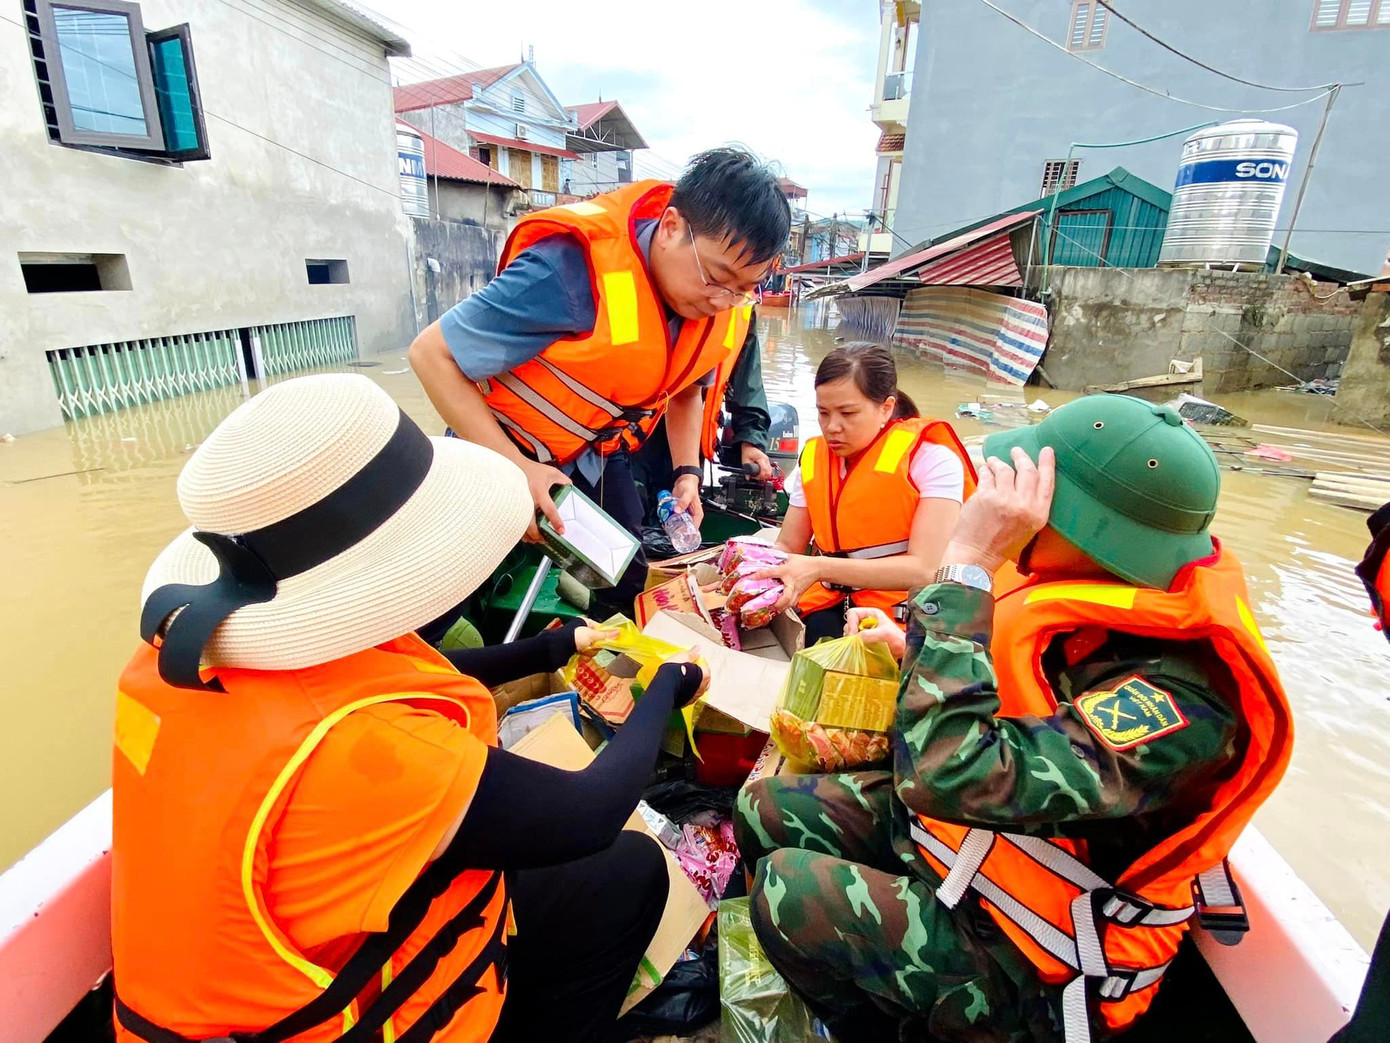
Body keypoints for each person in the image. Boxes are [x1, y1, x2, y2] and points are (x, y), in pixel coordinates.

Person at [111, 374, 709, 1043]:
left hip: (214, 1001)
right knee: (627, 869)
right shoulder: (373, 751)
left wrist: (551, 645)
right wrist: (664, 687)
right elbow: (590, 811)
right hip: (321, 1023)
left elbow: (382, 683)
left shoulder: (176, 664)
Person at [735, 394, 1294, 1043]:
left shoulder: (1182, 702)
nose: (1011, 508)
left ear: (1084, 529)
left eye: (1031, 497)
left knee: (785, 888)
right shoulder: (1096, 604)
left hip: (1039, 970)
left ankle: (877, 1026)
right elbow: (1004, 684)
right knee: (764, 807)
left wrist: (969, 558)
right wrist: (913, 641)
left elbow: (944, 771)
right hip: (982, 852)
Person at [408, 147, 790, 606]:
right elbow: (432, 355)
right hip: (499, 448)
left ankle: (592, 647)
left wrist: (686, 472)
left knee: (626, 578)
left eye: (743, 290)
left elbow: (687, 389)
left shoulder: (718, 304)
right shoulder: (567, 272)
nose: (723, 301)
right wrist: (520, 469)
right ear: (670, 228)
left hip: (596, 453)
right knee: (445, 596)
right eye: (717, 277)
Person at [763, 342, 975, 644]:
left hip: (902, 615)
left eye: (848, 413)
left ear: (885, 408)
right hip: (826, 604)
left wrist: (818, 567)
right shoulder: (813, 458)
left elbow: (925, 569)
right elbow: (788, 544)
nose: (832, 427)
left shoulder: (931, 460)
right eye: (823, 413)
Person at [631, 316, 774, 521]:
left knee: (680, 515)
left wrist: (751, 439)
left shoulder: (741, 306)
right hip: (627, 436)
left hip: (688, 434)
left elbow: (747, 377)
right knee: (629, 514)